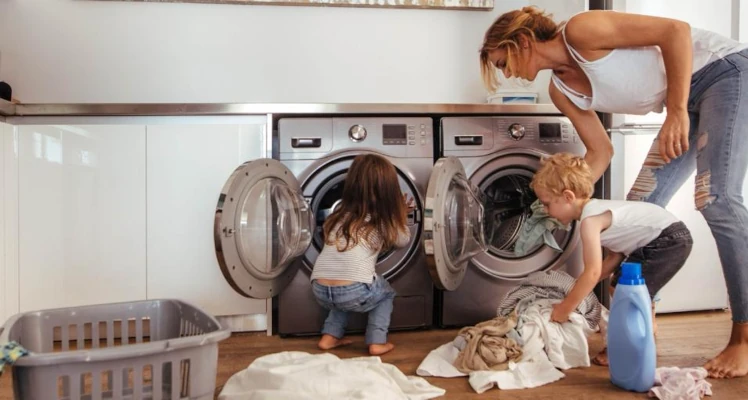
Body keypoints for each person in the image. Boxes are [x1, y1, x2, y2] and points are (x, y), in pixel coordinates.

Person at [479, 5, 748, 378]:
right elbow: (600, 152)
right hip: (686, 100)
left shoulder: (581, 31)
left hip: (725, 73)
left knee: (716, 199)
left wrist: (674, 113)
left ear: (523, 42)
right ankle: (640, 324)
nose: (506, 73)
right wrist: (559, 200)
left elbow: (676, 31)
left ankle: (743, 338)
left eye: (502, 62)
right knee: (636, 213)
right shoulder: (560, 90)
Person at [531, 152, 693, 365]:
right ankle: (642, 337)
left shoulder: (590, 221)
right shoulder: (596, 211)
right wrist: (578, 287)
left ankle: (627, 346)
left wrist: (565, 308)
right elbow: (614, 257)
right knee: (624, 288)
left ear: (568, 197)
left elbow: (593, 271)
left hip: (667, 239)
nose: (545, 210)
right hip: (667, 237)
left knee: (624, 290)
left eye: (547, 203)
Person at [310, 153, 413, 356]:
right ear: (389, 191)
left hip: (319, 289)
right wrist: (399, 214)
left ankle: (329, 337)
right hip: (353, 291)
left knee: (343, 284)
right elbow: (403, 240)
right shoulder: (383, 219)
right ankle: (377, 341)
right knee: (385, 293)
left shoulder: (339, 215)